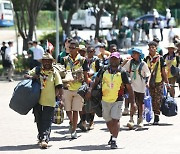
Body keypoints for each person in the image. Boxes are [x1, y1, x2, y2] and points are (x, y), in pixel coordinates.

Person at [86, 52, 136, 149]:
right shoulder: (104, 70)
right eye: (112, 58)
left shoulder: (123, 72)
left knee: (115, 119)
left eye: (115, 59)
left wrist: (133, 103)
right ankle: (112, 134)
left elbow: (130, 88)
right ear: (109, 59)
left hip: (117, 99)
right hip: (105, 99)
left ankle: (114, 140)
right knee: (108, 120)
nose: (113, 60)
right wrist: (89, 90)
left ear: (119, 60)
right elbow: (95, 81)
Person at [24, 53, 63, 149]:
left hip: (50, 101)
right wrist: (32, 77)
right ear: (42, 62)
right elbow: (26, 75)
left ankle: (45, 138)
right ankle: (41, 135)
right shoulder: (37, 70)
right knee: (38, 119)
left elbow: (59, 86)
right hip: (36, 100)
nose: (46, 63)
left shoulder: (54, 73)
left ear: (51, 62)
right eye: (45, 61)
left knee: (47, 120)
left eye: (48, 61)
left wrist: (61, 100)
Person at [60, 40, 89, 139]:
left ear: (77, 49)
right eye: (69, 48)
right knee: (68, 110)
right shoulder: (64, 60)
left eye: (72, 48)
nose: (70, 50)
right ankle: (72, 122)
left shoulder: (83, 60)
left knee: (75, 110)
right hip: (67, 88)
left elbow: (86, 75)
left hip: (78, 89)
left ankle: (74, 129)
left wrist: (87, 87)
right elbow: (60, 74)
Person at [123, 48, 151, 129]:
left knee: (140, 103)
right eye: (133, 53)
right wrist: (124, 62)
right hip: (132, 86)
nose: (134, 54)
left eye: (136, 53)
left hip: (141, 86)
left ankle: (140, 119)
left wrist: (147, 83)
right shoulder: (130, 62)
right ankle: (131, 119)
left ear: (139, 55)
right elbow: (122, 69)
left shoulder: (143, 64)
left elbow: (148, 74)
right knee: (132, 103)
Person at [144, 41, 170, 125]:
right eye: (150, 47)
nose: (151, 49)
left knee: (157, 99)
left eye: (153, 47)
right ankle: (151, 114)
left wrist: (167, 82)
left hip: (158, 81)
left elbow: (163, 71)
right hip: (149, 82)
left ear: (156, 48)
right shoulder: (147, 58)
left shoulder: (160, 58)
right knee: (151, 98)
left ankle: (156, 116)